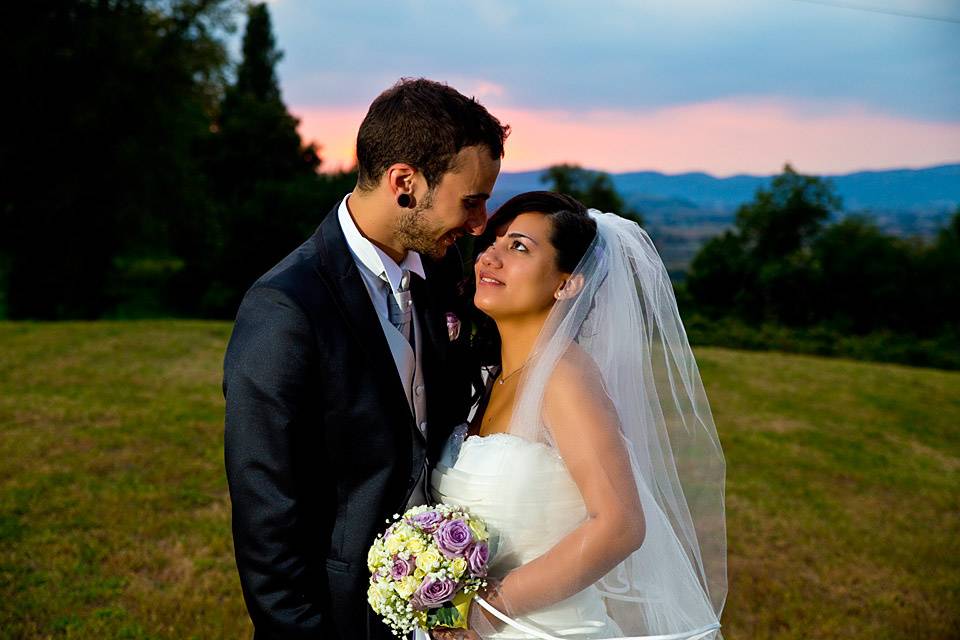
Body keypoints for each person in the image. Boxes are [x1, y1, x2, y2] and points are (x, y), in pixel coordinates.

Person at [223, 78, 509, 639]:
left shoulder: (444, 272)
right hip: (340, 612)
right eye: (470, 201)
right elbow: (265, 507)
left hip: (442, 597)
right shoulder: (286, 306)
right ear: (405, 182)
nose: (479, 224)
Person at [431, 192, 727, 639]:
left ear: (567, 283)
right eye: (494, 242)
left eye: (519, 247)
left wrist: (488, 610)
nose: (490, 257)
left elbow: (620, 525)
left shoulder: (563, 378)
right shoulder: (489, 379)